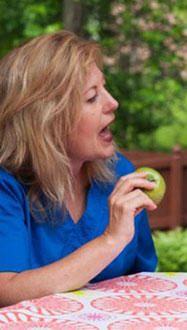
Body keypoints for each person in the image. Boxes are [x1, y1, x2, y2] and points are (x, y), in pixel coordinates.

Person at [0, 31, 158, 307]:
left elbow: (142, 282)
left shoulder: (120, 174)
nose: (112, 103)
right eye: (91, 98)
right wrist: (110, 241)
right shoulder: (6, 187)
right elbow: (5, 291)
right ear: (47, 120)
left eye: (105, 89)